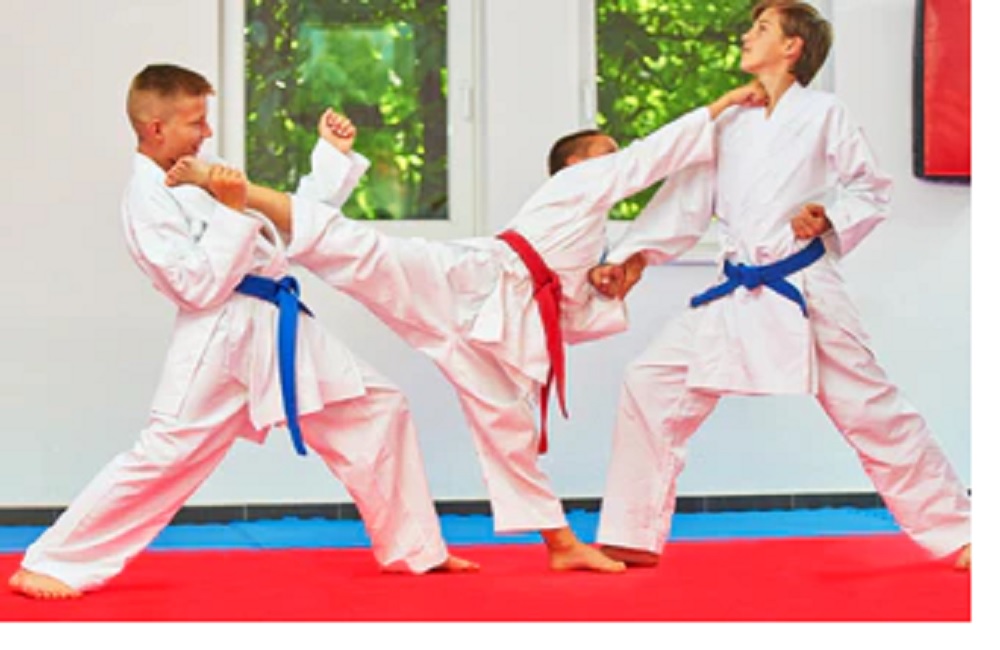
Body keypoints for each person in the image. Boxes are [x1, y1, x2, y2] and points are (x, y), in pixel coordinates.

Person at [168, 80, 768, 572]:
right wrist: (720, 106)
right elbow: (647, 159)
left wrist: (604, 281)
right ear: (575, 163)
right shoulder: (578, 181)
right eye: (605, 151)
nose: (615, 160)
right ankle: (236, 192)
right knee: (359, 248)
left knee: (507, 423)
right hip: (470, 279)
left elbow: (570, 304)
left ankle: (560, 543)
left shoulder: (585, 227)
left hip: (501, 320)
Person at [8, 64, 476, 600]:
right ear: (156, 128)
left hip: (275, 321)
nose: (206, 132)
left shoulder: (201, 175)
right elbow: (194, 287)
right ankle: (53, 562)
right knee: (166, 454)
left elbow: (285, 227)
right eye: (195, 122)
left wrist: (330, 160)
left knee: (378, 408)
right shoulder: (145, 199)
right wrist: (231, 214)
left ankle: (416, 549)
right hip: (220, 333)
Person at [588, 0, 971, 570]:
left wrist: (827, 215)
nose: (746, 35)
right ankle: (632, 533)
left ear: (792, 47)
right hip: (735, 288)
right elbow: (687, 200)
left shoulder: (824, 113)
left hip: (802, 287)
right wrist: (633, 256)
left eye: (761, 28)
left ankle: (961, 530)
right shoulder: (729, 123)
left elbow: (870, 187)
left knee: (871, 409)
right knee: (650, 380)